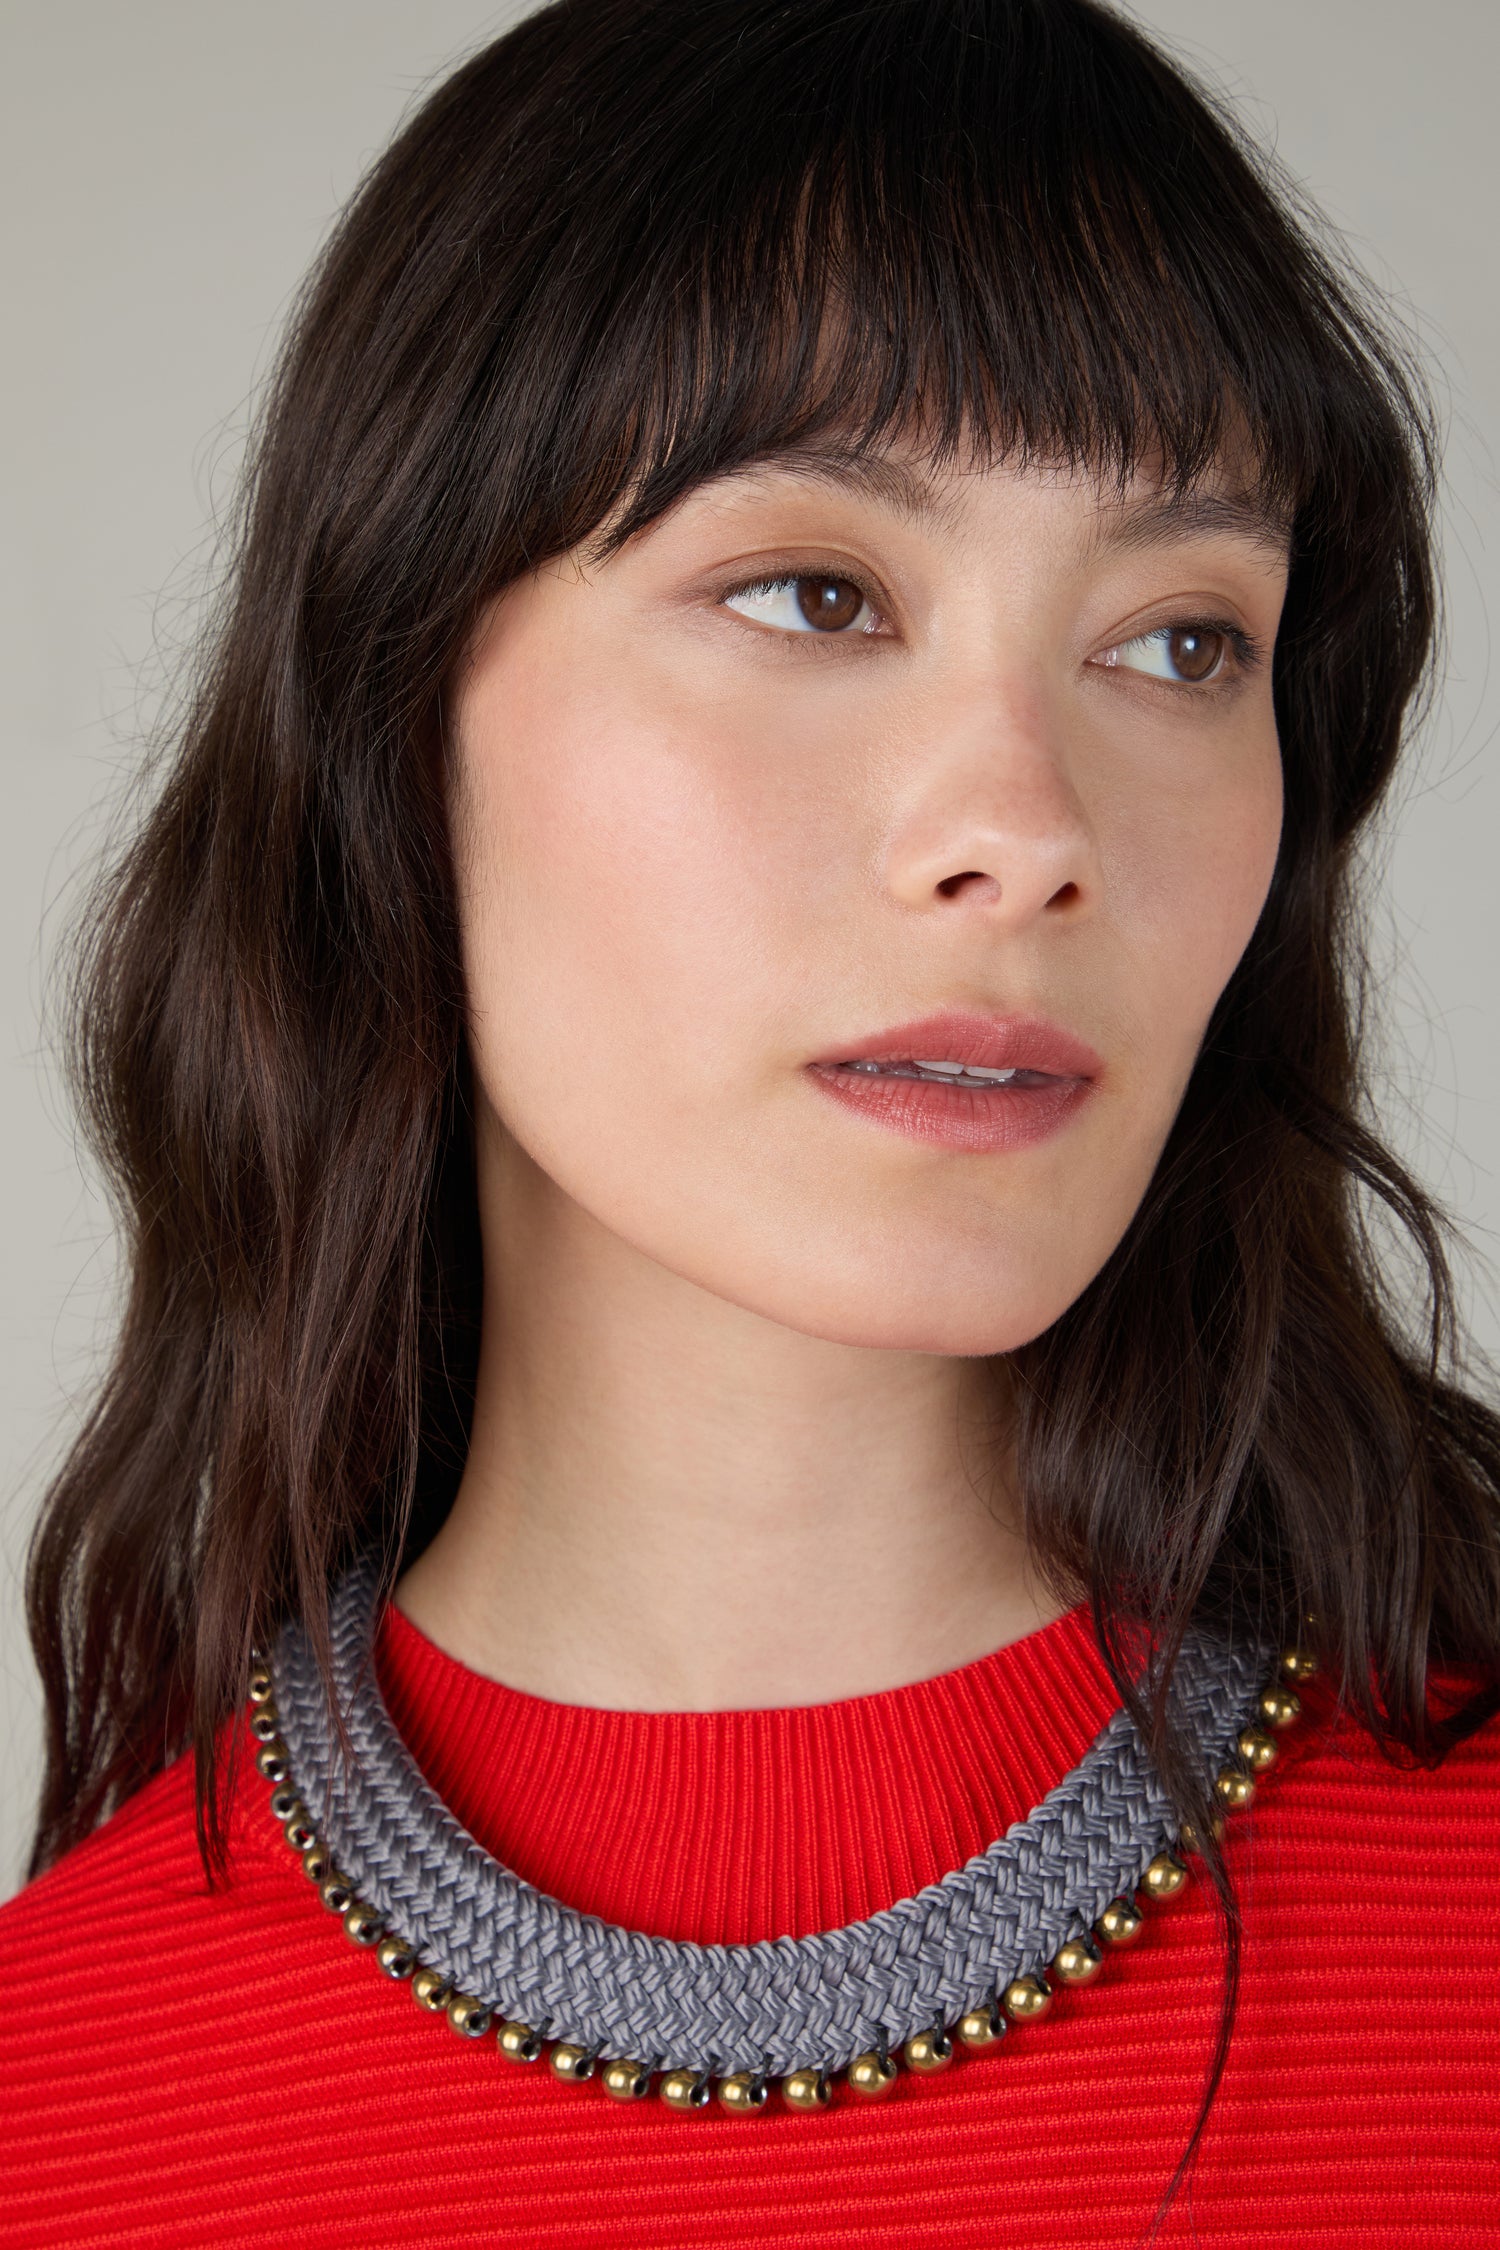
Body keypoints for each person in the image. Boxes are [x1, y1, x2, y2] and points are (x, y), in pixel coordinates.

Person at [2, 0, 1497, 2242]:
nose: (1024, 830)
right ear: (399, 730)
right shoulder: (57, 2103)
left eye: (1184, 640)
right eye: (814, 592)